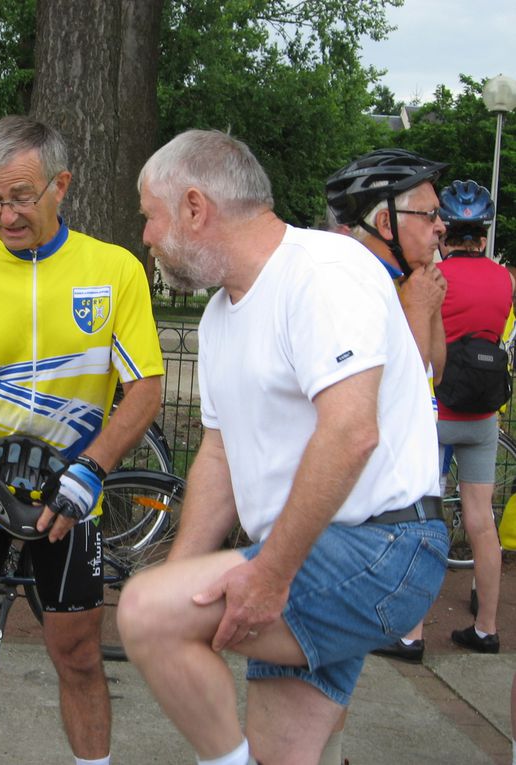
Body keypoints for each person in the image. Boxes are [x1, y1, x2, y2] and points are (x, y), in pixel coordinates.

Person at [118, 129, 448, 765]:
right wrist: (186, 571)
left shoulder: (323, 271)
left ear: (194, 207)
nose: (148, 237)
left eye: (150, 217)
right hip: (305, 552)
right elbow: (219, 451)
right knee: (281, 755)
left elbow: (352, 433)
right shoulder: (219, 316)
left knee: (144, 611)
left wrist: (267, 577)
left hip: (381, 547)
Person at [0, 115, 163, 765]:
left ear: (61, 186)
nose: (6, 213)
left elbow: (146, 388)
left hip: (70, 493)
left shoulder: (116, 270)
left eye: (20, 196)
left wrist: (94, 468)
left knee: (77, 655)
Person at [325, 147, 450, 663]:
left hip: (382, 515)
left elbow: (432, 375)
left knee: (325, 682)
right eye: (431, 214)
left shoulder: (400, 282)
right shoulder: (354, 286)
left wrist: (429, 306)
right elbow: (393, 391)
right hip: (362, 524)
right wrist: (418, 309)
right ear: (385, 221)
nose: (442, 226)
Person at [436, 180, 513, 653]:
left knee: (425, 517)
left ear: (445, 232)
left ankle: (410, 633)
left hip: (437, 412)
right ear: (482, 236)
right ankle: (486, 628)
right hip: (484, 414)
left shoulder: (432, 277)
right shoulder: (506, 281)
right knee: (482, 521)